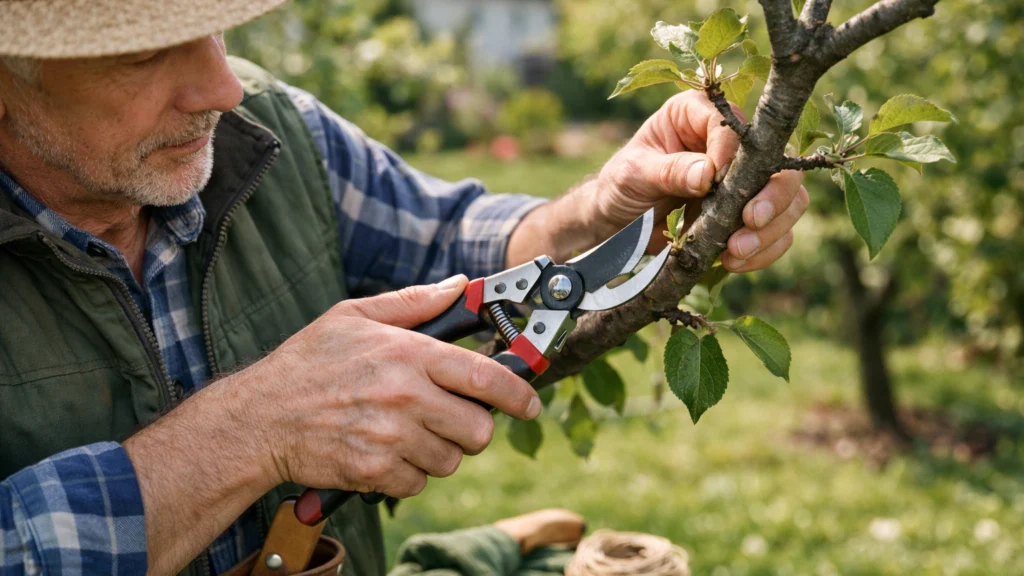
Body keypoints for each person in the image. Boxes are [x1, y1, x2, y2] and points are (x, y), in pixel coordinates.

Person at [0, 1, 808, 575]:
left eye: (212, 26)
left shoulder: (271, 134)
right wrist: (245, 434)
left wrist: (602, 209)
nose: (221, 88)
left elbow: (450, 242)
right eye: (143, 53)